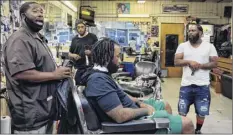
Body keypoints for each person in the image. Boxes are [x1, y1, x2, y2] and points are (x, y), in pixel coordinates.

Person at [81, 38, 194, 134]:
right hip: (134, 122)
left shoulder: (102, 74)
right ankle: (163, 127)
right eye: (117, 56)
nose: (120, 60)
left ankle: (166, 128)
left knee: (165, 105)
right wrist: (145, 110)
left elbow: (121, 94)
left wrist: (140, 102)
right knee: (187, 124)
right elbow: (120, 116)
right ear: (106, 57)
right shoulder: (98, 81)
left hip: (133, 110)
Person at [3, 2, 71, 134]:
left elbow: (41, 65)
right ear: (23, 16)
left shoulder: (37, 38)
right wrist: (55, 75)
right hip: (30, 115)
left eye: (41, 12)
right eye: (35, 11)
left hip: (44, 110)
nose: (40, 14)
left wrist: (58, 70)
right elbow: (22, 73)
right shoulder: (20, 40)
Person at [174, 24, 218, 134]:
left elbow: (215, 63)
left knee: (201, 112)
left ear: (201, 33)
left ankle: (198, 130)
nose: (190, 32)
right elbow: (176, 61)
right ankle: (183, 130)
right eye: (189, 30)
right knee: (182, 112)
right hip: (186, 85)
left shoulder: (209, 47)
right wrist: (189, 62)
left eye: (193, 30)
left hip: (202, 86)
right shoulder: (182, 46)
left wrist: (200, 65)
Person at [68, 19, 98, 85]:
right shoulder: (74, 40)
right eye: (78, 27)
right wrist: (73, 56)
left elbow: (98, 51)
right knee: (79, 87)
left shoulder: (92, 37)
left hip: (91, 68)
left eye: (82, 27)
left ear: (85, 27)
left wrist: (91, 53)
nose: (80, 29)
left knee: (90, 86)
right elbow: (69, 53)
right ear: (76, 28)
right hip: (78, 69)